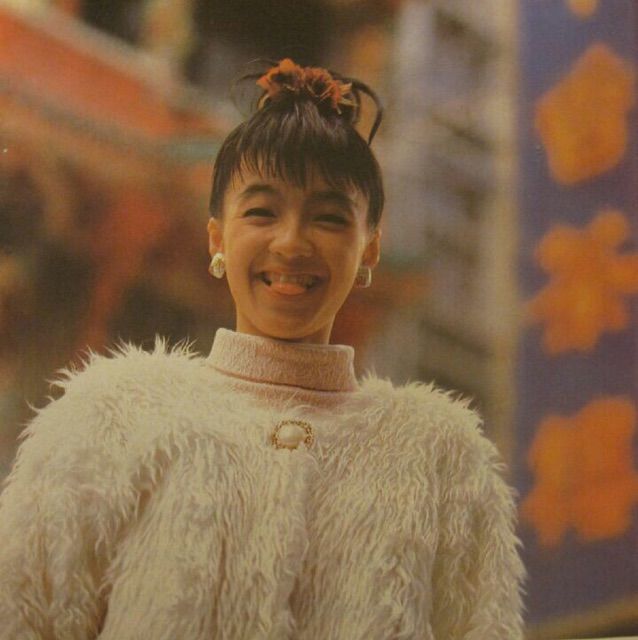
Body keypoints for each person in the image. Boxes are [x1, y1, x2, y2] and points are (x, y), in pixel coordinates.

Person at [0, 58, 526, 639]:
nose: (291, 242)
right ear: (217, 237)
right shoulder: (109, 419)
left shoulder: (441, 459)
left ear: (369, 248)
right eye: (261, 212)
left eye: (329, 218)